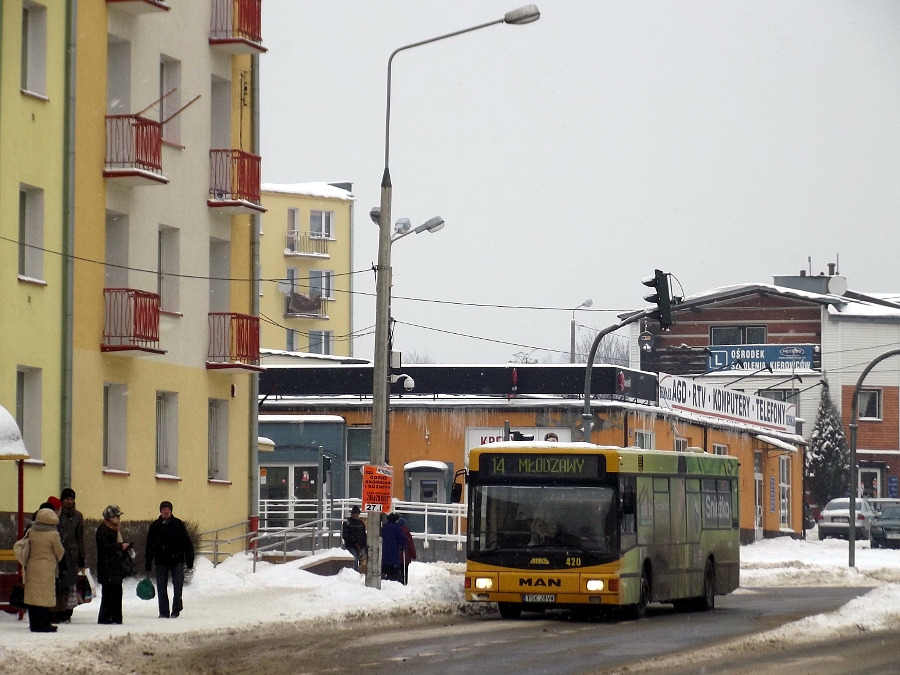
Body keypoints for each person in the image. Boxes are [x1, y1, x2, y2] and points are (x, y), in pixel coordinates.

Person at [145, 500, 195, 618]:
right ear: (161, 511)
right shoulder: (155, 526)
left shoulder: (178, 524)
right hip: (161, 561)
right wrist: (148, 561)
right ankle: (163, 612)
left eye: (168, 509)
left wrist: (189, 560)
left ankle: (176, 608)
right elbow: (150, 545)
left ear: (171, 511)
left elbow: (186, 543)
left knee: (178, 585)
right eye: (164, 509)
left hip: (177, 560)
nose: (166, 511)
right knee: (161, 587)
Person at [23, 507, 65, 632]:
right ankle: (44, 624)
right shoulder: (53, 534)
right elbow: (60, 552)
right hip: (46, 568)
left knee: (33, 596)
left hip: (32, 566)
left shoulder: (31, 531)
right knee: (44, 597)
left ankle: (34, 624)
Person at [54, 488, 85, 623]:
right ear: (62, 500)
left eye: (71, 499)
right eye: (67, 499)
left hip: (72, 554)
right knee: (60, 583)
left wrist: (82, 557)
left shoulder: (78, 516)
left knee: (71, 584)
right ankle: (59, 610)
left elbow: (80, 537)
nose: (69, 502)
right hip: (59, 553)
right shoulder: (57, 515)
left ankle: (68, 611)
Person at [96, 505, 131, 625]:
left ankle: (116, 617)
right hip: (107, 566)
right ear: (110, 517)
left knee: (116, 592)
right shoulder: (103, 529)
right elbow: (104, 547)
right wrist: (119, 546)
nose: (118, 519)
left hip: (114, 566)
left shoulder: (115, 528)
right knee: (108, 594)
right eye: (116, 516)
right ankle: (106, 618)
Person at [380, 513, 405, 582]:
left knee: (385, 568)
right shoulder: (397, 528)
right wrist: (403, 546)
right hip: (394, 554)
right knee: (393, 572)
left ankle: (385, 579)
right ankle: (392, 580)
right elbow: (402, 540)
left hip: (384, 553)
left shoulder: (384, 527)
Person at [341, 505, 367, 572]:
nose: (356, 515)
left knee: (357, 559)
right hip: (351, 545)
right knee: (354, 559)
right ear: (352, 514)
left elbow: (363, 534)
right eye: (355, 513)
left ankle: (355, 572)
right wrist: (352, 539)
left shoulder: (361, 524)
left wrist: (364, 543)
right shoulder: (347, 523)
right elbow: (344, 535)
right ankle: (355, 573)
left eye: (357, 513)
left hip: (359, 546)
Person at [397, 517, 417, 586]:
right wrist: (413, 555)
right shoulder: (406, 531)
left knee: (397, 570)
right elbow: (410, 543)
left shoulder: (395, 530)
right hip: (405, 555)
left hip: (396, 555)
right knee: (404, 570)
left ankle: (397, 582)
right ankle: (404, 582)